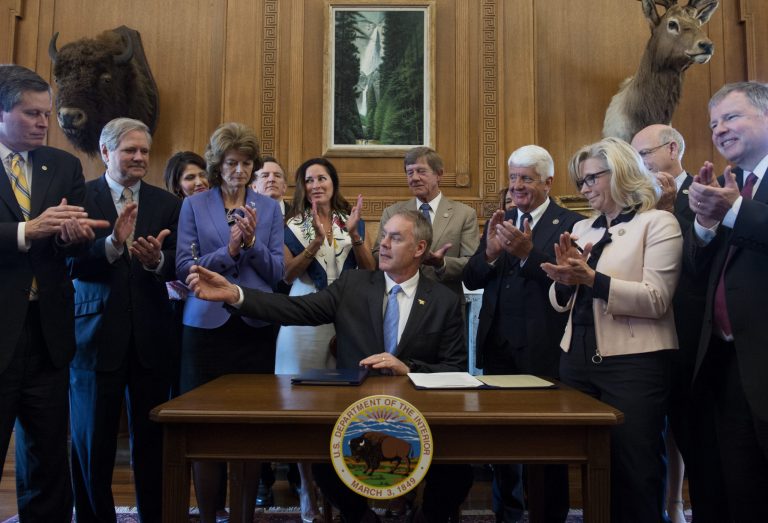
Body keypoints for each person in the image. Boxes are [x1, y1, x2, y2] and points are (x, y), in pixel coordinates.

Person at [187, 210, 473, 523]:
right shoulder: (353, 285)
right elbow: (294, 309)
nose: (384, 244)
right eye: (384, 235)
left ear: (420, 249)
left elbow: (454, 368)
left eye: (396, 237)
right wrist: (235, 294)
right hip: (356, 412)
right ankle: (362, 518)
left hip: (421, 414)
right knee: (324, 461)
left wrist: (408, 368)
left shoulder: (443, 301)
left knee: (457, 471)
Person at [541, 137, 682, 523]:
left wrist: (591, 279)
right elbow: (562, 301)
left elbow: (656, 299)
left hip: (635, 363)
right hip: (578, 358)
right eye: (581, 182)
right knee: (591, 464)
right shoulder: (582, 227)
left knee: (634, 465)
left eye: (591, 179)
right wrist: (565, 280)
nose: (584, 190)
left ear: (619, 172)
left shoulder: (658, 223)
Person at [0, 64, 106, 522]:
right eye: (32, 114)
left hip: (48, 334)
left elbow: (67, 244)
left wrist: (73, 234)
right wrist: (27, 230)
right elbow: (31, 232)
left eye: (47, 113)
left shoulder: (62, 165)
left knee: (47, 458)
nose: (45, 123)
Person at [68, 117, 181, 523]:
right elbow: (68, 264)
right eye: (130, 150)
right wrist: (113, 244)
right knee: (92, 445)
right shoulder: (81, 197)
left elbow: (180, 268)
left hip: (151, 339)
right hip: (95, 338)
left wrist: (158, 262)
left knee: (152, 446)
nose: (138, 158)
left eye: (144, 151)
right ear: (105, 152)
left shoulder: (167, 204)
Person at [463, 145, 581, 523]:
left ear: (548, 182)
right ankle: (507, 515)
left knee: (547, 443)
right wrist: (492, 253)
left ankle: (549, 515)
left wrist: (529, 254)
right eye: (513, 178)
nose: (517, 186)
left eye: (526, 179)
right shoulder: (500, 220)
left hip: (544, 350)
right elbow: (471, 278)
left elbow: (567, 286)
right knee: (503, 442)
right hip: (498, 349)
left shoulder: (570, 223)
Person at [175, 122, 284, 523]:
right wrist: (229, 249)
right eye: (232, 163)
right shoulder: (194, 205)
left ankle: (242, 516)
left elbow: (276, 273)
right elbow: (186, 266)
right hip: (204, 328)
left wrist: (252, 245)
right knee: (205, 427)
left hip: (254, 326)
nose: (239, 170)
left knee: (248, 429)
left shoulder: (269, 208)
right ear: (218, 165)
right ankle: (207, 516)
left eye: (247, 163)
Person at [631, 124, 729, 523]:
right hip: (647, 338)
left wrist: (671, 212)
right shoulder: (638, 203)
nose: (640, 164)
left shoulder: (706, 195)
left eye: (645, 154)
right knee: (645, 440)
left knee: (698, 440)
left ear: (672, 149)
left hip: (693, 340)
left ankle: (686, 506)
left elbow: (703, 264)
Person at [273, 157, 374, 521]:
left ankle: (348, 492)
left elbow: (370, 270)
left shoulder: (350, 220)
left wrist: (355, 233)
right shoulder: (291, 224)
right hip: (303, 319)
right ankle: (307, 492)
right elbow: (286, 275)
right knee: (303, 406)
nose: (316, 184)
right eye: (309, 179)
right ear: (303, 186)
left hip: (345, 316)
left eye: (322, 178)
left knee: (345, 404)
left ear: (333, 182)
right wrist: (315, 243)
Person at [685, 81, 768, 522]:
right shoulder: (730, 186)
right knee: (739, 491)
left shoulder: (737, 197)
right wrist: (703, 224)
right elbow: (701, 274)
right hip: (726, 363)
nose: (719, 130)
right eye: (713, 123)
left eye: (731, 117)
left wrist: (733, 211)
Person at [373, 146, 479, 296]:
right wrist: (406, 255)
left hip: (444, 301)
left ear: (439, 174)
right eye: (410, 173)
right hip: (399, 298)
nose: (414, 178)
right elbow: (378, 253)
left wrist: (440, 263)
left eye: (421, 171)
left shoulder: (464, 214)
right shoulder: (392, 213)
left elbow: (472, 263)